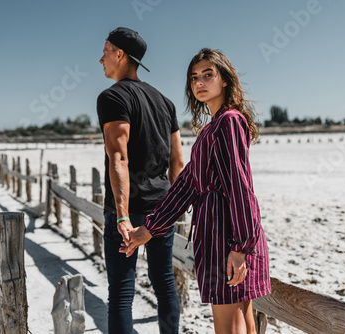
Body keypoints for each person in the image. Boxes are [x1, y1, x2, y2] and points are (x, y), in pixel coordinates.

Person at [123, 48, 271, 334]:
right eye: (194, 78)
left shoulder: (229, 121)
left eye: (207, 75)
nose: (200, 83)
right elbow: (186, 186)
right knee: (242, 323)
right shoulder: (210, 130)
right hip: (218, 237)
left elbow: (240, 186)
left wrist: (240, 248)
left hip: (229, 237)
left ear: (225, 80)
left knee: (232, 327)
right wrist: (150, 228)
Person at [96, 27, 184, 334]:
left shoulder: (112, 97)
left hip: (130, 211)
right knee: (164, 284)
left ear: (120, 55)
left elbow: (118, 158)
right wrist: (175, 209)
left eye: (105, 52)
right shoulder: (165, 102)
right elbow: (177, 163)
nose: (101, 59)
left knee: (121, 292)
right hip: (162, 208)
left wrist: (121, 215)